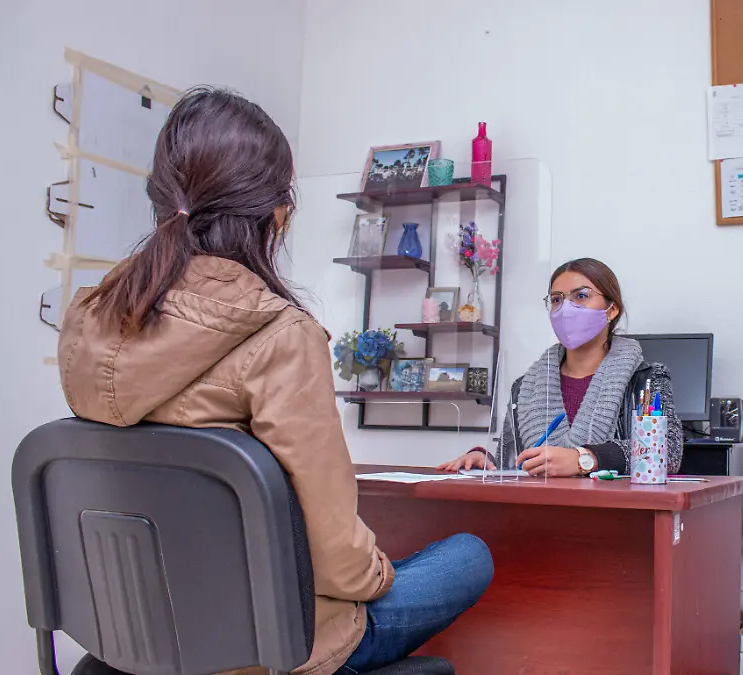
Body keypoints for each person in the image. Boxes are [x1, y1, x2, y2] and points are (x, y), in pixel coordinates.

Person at [57, 88, 492, 675]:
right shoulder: (282, 336)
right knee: (468, 555)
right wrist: (378, 571)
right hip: (271, 650)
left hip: (133, 634)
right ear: (276, 211)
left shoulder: (87, 324)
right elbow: (338, 561)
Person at [437, 258, 683, 476]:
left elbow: (667, 453)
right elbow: (511, 462)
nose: (566, 308)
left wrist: (585, 459)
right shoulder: (524, 387)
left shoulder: (646, 379)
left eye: (581, 296)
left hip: (613, 517)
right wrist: (485, 461)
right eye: (557, 299)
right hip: (534, 514)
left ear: (612, 309)